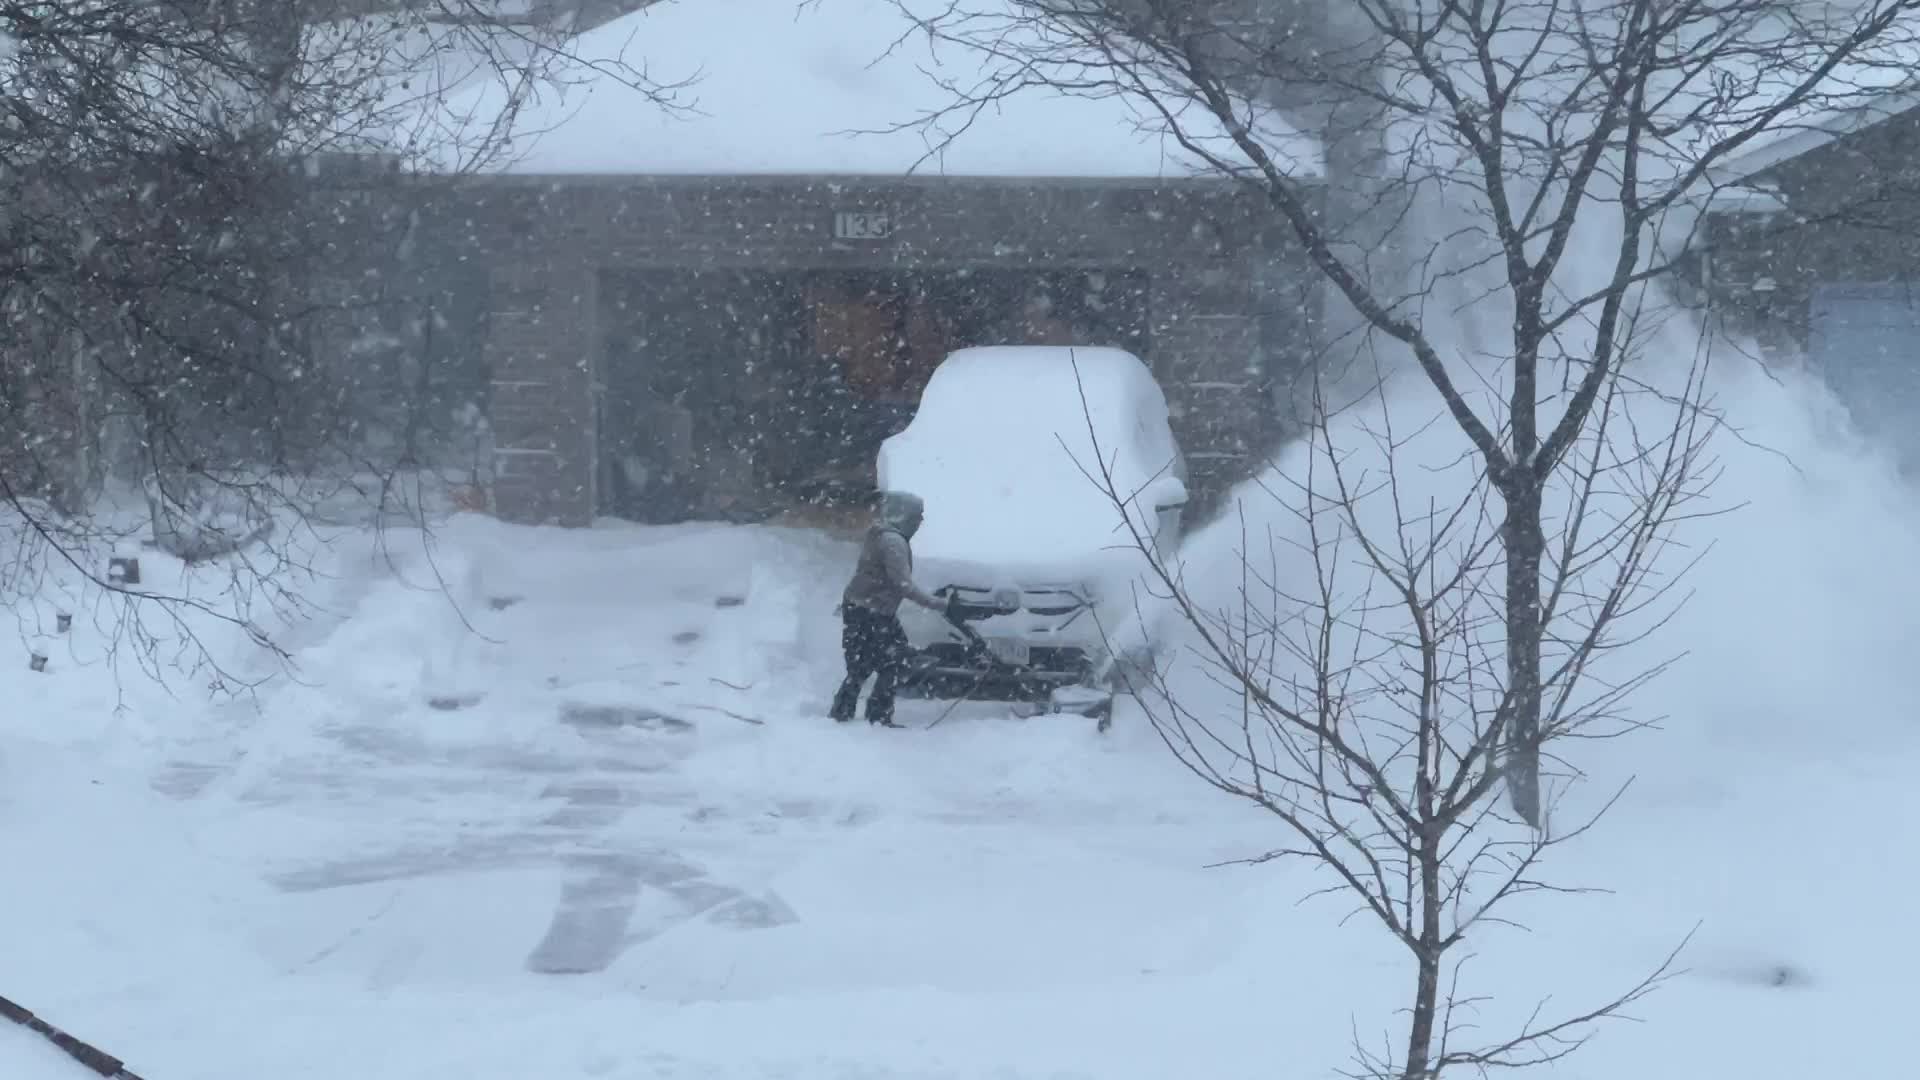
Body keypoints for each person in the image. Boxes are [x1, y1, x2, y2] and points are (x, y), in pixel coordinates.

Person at [831, 490, 952, 727]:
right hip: (872, 612)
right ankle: (875, 715)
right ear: (904, 515)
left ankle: (844, 713)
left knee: (863, 664)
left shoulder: (881, 534)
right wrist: (940, 605)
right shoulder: (893, 542)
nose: (920, 521)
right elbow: (902, 584)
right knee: (894, 662)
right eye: (918, 516)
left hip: (863, 608)